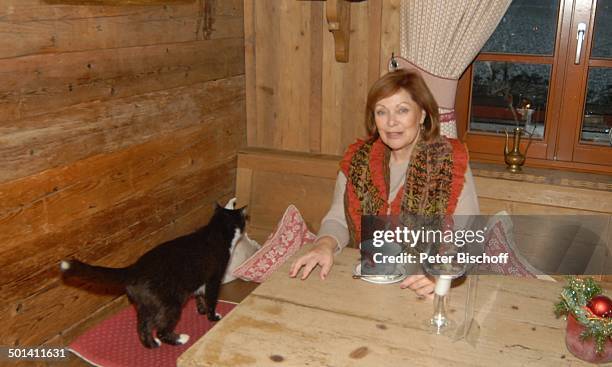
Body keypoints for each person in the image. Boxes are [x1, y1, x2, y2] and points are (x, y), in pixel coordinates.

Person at [289, 69, 480, 298]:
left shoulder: (449, 160)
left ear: (422, 115)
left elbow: (468, 234)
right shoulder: (358, 160)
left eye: (402, 110)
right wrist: (324, 245)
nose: (391, 122)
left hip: (422, 287)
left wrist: (440, 272)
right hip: (366, 281)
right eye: (382, 112)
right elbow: (337, 218)